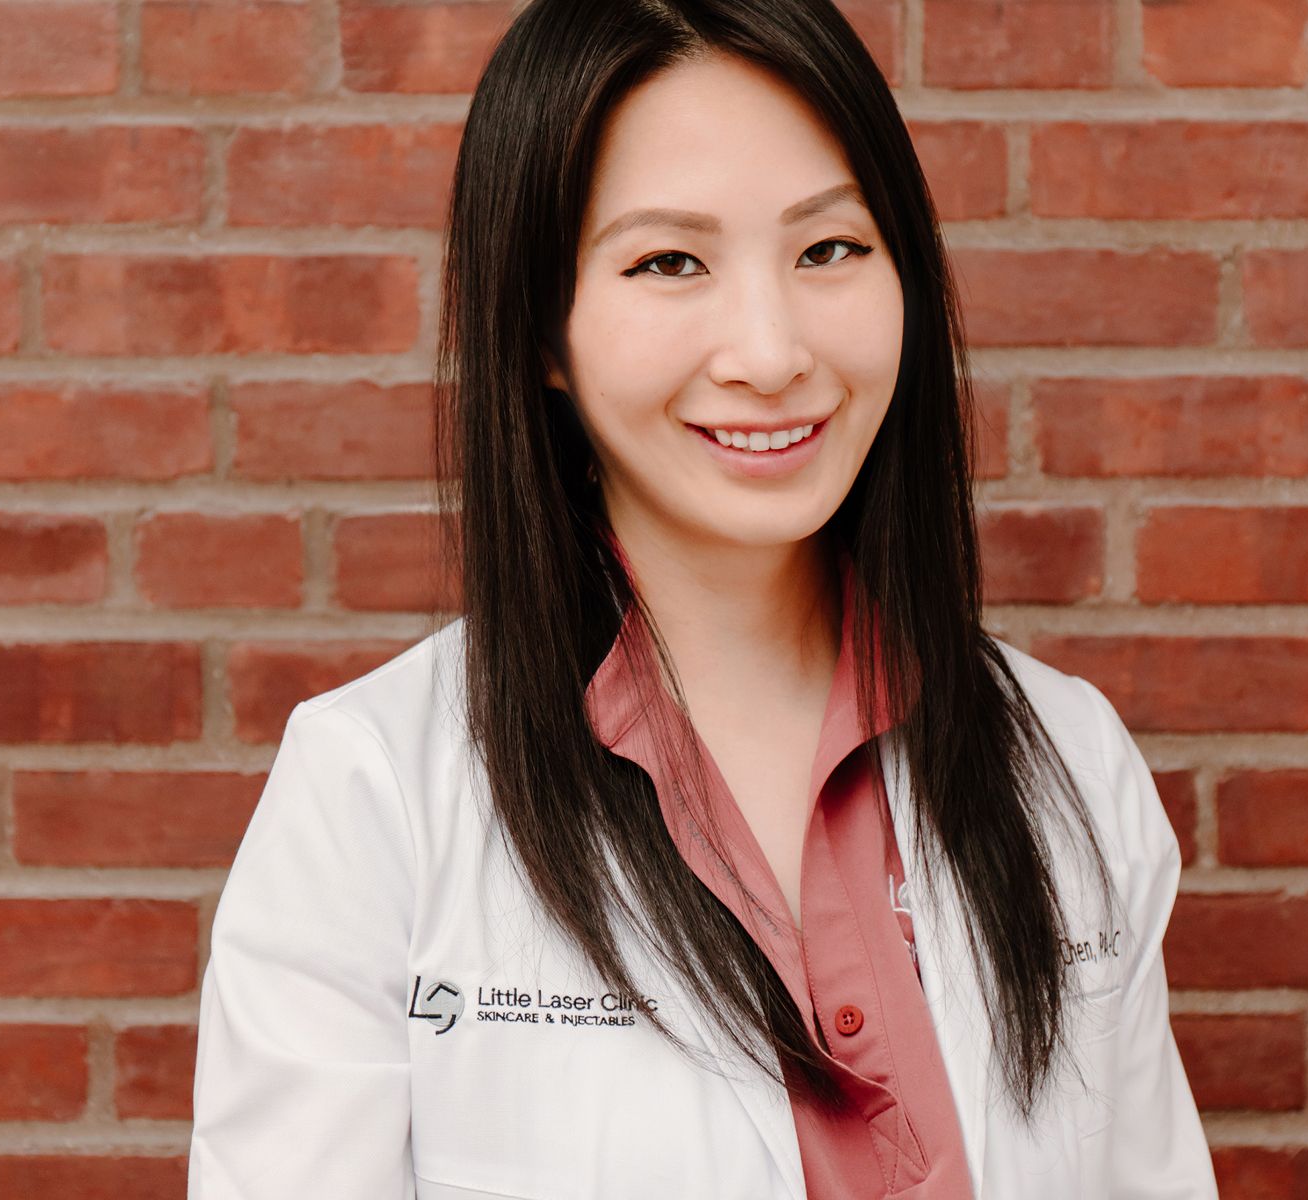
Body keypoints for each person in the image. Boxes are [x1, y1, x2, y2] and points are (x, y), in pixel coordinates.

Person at [189, 0, 1218, 1195]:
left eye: (828, 249)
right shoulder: (372, 799)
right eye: (667, 261)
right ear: (543, 333)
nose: (771, 351)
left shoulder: (1068, 764)